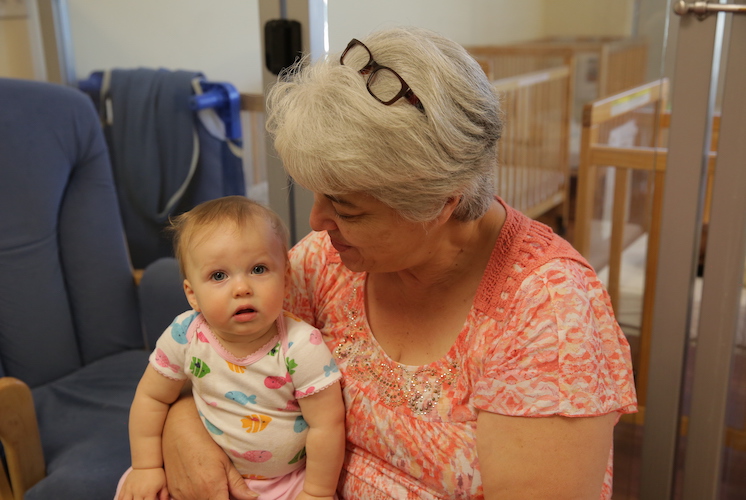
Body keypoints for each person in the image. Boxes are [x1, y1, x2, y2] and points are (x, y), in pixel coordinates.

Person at [160, 27, 637, 500]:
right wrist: (183, 427)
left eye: (347, 208)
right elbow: (219, 354)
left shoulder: (548, 312)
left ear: (440, 203)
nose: (316, 219)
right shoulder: (328, 260)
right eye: (318, 193)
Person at [115, 196, 345, 500]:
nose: (242, 288)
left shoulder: (302, 346)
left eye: (259, 269)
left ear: (286, 279)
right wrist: (146, 467)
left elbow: (327, 425)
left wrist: (317, 492)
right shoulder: (185, 335)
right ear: (192, 294)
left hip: (285, 484)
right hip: (199, 465)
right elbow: (151, 397)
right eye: (219, 276)